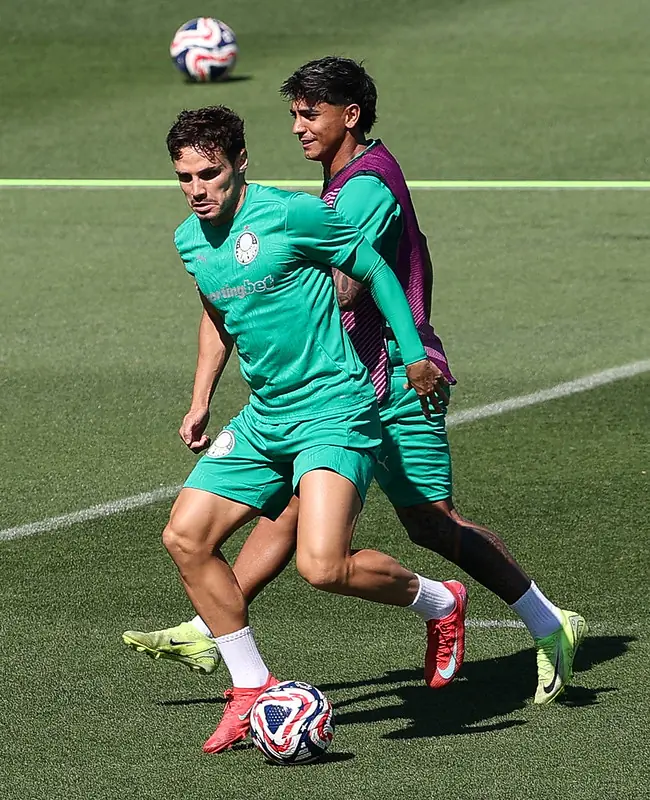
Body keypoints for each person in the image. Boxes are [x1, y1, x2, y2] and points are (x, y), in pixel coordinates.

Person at [125, 58, 587, 706]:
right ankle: (213, 628)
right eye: (293, 114)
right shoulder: (335, 183)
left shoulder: (364, 187)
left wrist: (281, 260)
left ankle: (547, 621)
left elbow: (349, 284)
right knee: (297, 502)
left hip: (394, 378)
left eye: (309, 114)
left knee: (430, 523)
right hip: (348, 376)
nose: (297, 127)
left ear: (350, 116)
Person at [132, 103, 468, 755]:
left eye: (210, 174)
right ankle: (250, 687)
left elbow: (373, 268)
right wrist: (200, 399)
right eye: (185, 178)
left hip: (333, 409)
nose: (198, 189)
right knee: (186, 537)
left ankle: (440, 602)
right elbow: (217, 314)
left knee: (322, 565)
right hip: (266, 416)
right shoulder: (189, 240)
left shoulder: (291, 214)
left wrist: (413, 354)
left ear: (241, 163)